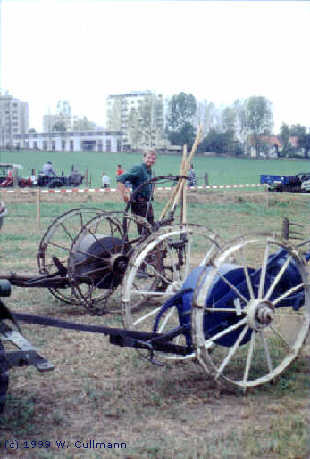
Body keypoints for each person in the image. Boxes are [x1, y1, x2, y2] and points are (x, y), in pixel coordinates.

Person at [117, 150, 157, 233]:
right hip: (139, 204)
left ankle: (149, 244)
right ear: (144, 158)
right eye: (148, 158)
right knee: (143, 229)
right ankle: (143, 244)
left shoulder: (150, 171)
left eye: (153, 158)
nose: (150, 160)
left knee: (151, 226)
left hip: (147, 203)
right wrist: (124, 194)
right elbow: (121, 179)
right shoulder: (138, 168)